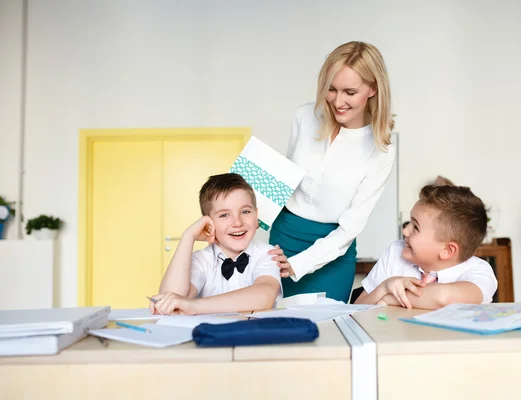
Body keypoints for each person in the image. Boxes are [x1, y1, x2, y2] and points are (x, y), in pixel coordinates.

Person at [268, 41, 396, 302]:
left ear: (373, 89)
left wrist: (299, 264)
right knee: (273, 328)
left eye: (350, 92)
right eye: (332, 89)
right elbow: (285, 179)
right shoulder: (304, 116)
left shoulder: (381, 148)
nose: (338, 101)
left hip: (333, 251)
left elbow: (350, 228)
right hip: (283, 237)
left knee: (328, 334)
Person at [150, 173, 281, 315]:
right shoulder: (201, 260)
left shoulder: (268, 254)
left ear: (256, 216)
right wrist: (188, 236)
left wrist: (194, 306)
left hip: (256, 335)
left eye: (245, 211)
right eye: (224, 215)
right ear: (208, 223)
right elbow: (170, 300)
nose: (237, 223)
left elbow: (264, 295)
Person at [356, 185, 498, 309]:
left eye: (416, 227)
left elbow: (442, 298)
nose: (405, 231)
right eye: (409, 222)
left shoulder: (479, 271)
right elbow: (357, 308)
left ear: (447, 250)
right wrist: (384, 288)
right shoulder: (396, 252)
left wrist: (388, 298)